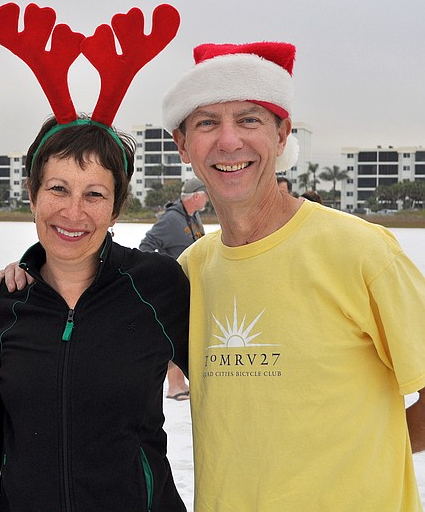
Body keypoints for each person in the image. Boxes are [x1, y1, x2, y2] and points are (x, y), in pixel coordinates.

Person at [162, 41, 425, 510]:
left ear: (282, 135)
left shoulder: (363, 252)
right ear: (183, 145)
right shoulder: (190, 273)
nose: (228, 141)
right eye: (206, 122)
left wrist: (363, 455)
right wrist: (32, 271)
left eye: (249, 120)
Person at [0, 116, 190, 511]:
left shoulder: (156, 285)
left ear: (115, 209)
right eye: (58, 189)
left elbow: (232, 389)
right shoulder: (10, 300)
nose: (73, 212)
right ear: (33, 196)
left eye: (94, 194)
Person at [138, 177, 208, 401]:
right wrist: (162, 270)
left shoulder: (193, 216)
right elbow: (146, 245)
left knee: (185, 333)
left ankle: (180, 383)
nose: (207, 198)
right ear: (196, 196)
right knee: (173, 334)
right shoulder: (171, 220)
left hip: (191, 286)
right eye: (205, 194)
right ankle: (174, 386)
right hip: (173, 286)